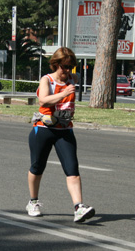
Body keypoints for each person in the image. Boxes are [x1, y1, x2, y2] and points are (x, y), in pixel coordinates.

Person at [26, 47, 96, 223]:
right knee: (37, 167)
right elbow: (43, 99)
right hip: (43, 129)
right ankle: (33, 202)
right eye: (64, 66)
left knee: (73, 169)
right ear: (55, 64)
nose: (67, 71)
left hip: (64, 130)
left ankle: (78, 207)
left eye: (70, 67)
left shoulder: (73, 78)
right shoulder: (46, 80)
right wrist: (63, 93)